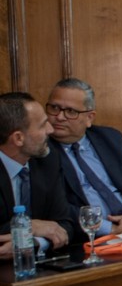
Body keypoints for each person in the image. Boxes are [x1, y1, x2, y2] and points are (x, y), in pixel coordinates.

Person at [46, 78, 122, 240]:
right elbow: (57, 208)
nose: (60, 117)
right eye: (54, 108)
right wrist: (107, 228)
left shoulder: (109, 139)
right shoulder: (41, 151)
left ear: (90, 117)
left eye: (70, 111)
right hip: (87, 239)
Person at [0, 92, 75, 259]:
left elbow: (65, 225)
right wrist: (29, 227)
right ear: (18, 138)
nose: (51, 130)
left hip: (40, 264)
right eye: (42, 125)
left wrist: (33, 243)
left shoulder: (47, 160)